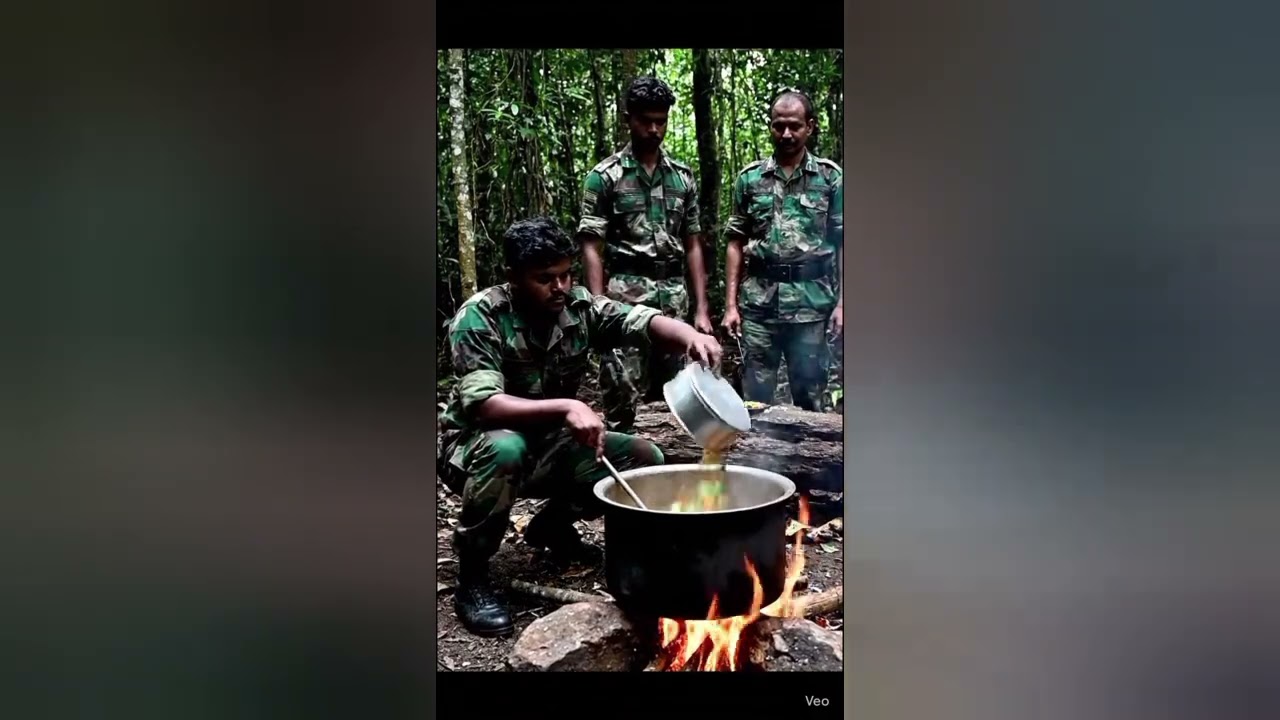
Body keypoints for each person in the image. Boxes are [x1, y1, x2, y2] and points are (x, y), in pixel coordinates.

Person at [438, 216, 723, 637]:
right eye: (545, 278)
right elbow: (484, 406)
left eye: (566, 274)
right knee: (506, 448)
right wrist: (568, 407)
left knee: (643, 457)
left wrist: (689, 336)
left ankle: (551, 527)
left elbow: (638, 320)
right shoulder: (480, 317)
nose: (560, 287)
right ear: (513, 277)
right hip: (475, 446)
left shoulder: (577, 308)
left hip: (549, 443)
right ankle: (474, 578)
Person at [577, 76, 714, 433]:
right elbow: (592, 244)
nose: (654, 129)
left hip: (673, 295)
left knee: (681, 398)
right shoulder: (604, 177)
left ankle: (675, 476)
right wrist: (597, 305)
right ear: (628, 119)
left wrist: (700, 309)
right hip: (626, 297)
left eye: (661, 120)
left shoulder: (682, 178)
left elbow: (693, 242)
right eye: (646, 120)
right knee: (623, 397)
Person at [721, 90, 844, 411]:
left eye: (794, 126)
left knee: (810, 398)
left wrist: (843, 304)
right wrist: (730, 306)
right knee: (752, 400)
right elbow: (735, 242)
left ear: (810, 127)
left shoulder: (830, 179)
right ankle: (752, 460)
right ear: (770, 126)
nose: (786, 134)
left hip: (812, 306)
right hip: (760, 306)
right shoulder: (749, 179)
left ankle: (814, 461)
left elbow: (844, 243)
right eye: (778, 126)